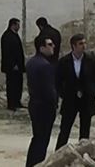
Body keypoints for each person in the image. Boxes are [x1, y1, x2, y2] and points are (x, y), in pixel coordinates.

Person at [55, 33, 95, 149]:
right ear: (73, 46)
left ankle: (83, 154)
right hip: (70, 99)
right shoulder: (64, 61)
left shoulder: (91, 60)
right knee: (65, 129)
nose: (84, 46)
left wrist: (93, 93)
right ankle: (59, 153)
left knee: (85, 129)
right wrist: (64, 94)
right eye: (80, 43)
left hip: (86, 99)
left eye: (84, 43)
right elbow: (57, 80)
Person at [25, 35, 58, 167]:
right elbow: (49, 90)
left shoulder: (31, 62)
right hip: (44, 107)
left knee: (37, 137)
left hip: (34, 104)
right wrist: (55, 103)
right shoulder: (45, 65)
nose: (53, 47)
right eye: (49, 45)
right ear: (41, 48)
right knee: (42, 140)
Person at [1, 18, 26, 111]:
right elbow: (7, 53)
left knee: (18, 85)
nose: (19, 27)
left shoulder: (14, 35)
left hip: (18, 66)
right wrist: (13, 64)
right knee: (12, 85)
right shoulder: (7, 36)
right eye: (17, 25)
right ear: (13, 25)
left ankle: (17, 102)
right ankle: (11, 104)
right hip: (12, 67)